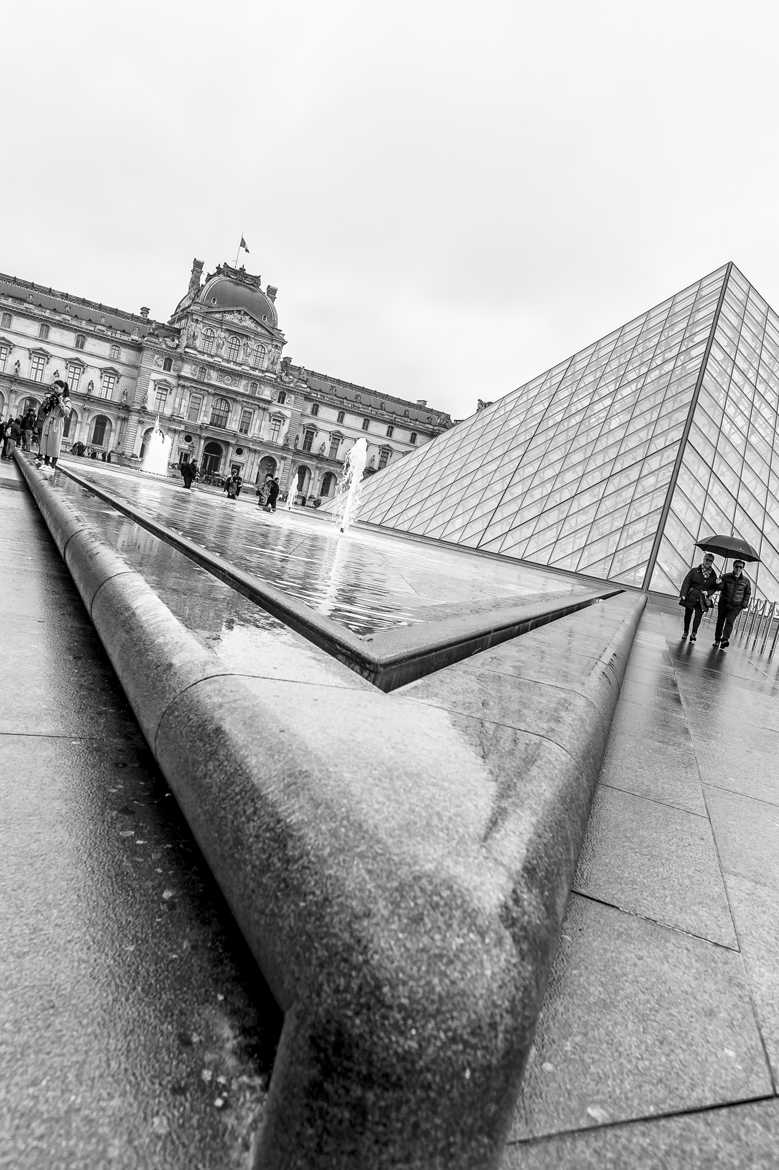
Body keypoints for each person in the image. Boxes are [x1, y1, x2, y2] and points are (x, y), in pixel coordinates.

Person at [678, 552, 718, 642]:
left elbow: (715, 588)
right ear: (703, 559)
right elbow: (686, 582)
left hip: (702, 599)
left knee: (698, 616)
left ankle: (694, 634)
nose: (708, 562)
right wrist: (683, 594)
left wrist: (710, 590)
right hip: (691, 595)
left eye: (710, 561)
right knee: (688, 614)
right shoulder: (694, 570)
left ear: (712, 562)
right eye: (707, 559)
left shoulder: (713, 575)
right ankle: (685, 632)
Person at [713, 559, 752, 649]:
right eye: (736, 566)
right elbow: (720, 588)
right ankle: (717, 639)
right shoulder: (726, 577)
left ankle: (725, 639)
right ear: (733, 567)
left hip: (736, 606)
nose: (738, 568)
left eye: (740, 567)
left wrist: (744, 604)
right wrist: (718, 583)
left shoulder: (746, 581)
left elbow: (748, 593)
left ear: (743, 568)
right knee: (720, 622)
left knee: (730, 621)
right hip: (724, 603)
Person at [35, 380, 72, 469]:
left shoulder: (66, 400)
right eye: (54, 388)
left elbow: (66, 412)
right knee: (46, 443)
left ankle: (52, 466)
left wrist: (60, 402)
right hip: (48, 422)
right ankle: (46, 464)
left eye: (57, 388)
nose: (55, 390)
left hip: (57, 423)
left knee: (55, 444)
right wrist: (46, 403)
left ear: (62, 389)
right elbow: (44, 411)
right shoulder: (52, 397)